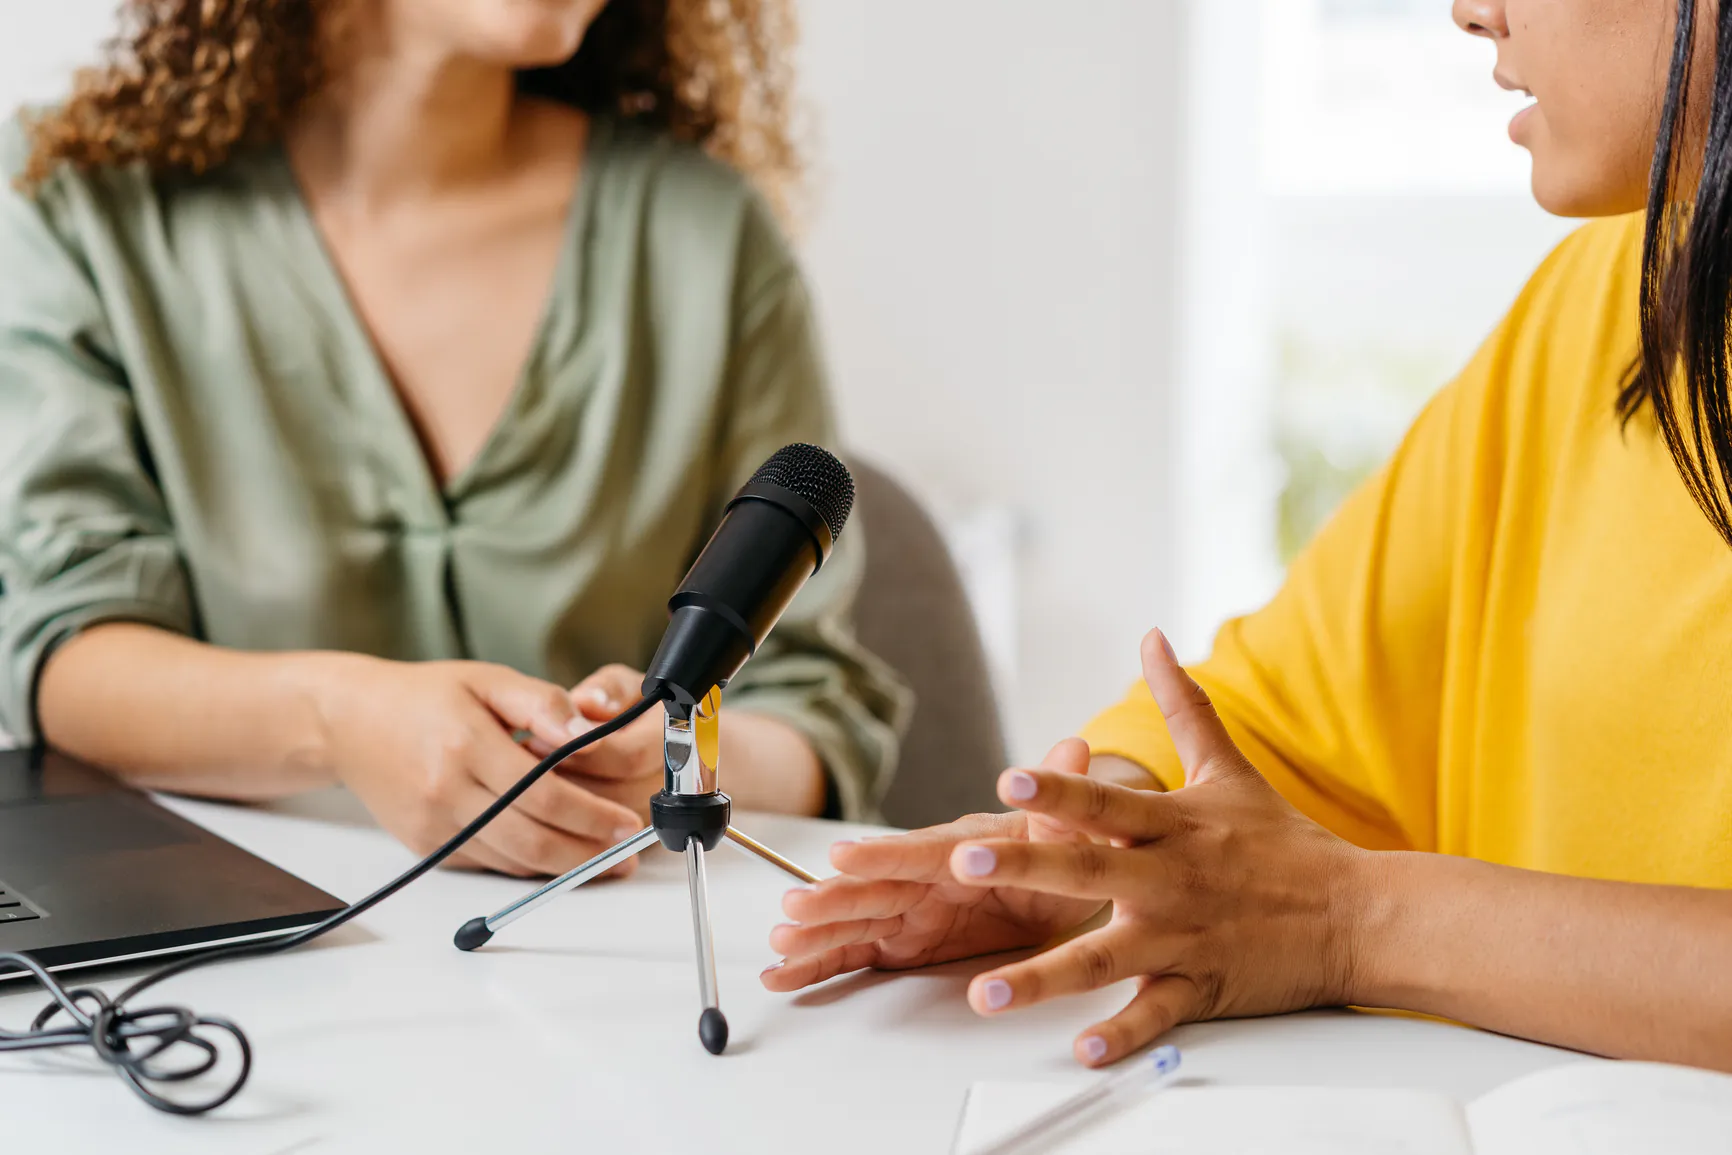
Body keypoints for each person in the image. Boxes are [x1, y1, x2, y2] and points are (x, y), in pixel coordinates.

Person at [764, 0, 1732, 1074]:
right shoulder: (1615, 293)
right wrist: (1099, 847)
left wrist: (1354, 923)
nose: (1470, 11)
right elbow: (1288, 709)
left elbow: (1332, 895)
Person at [0, 0, 908, 880]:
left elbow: (813, 704)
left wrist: (676, 753)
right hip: (244, 978)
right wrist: (339, 719)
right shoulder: (82, 203)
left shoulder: (709, 237)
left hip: (617, 970)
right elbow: (61, 645)